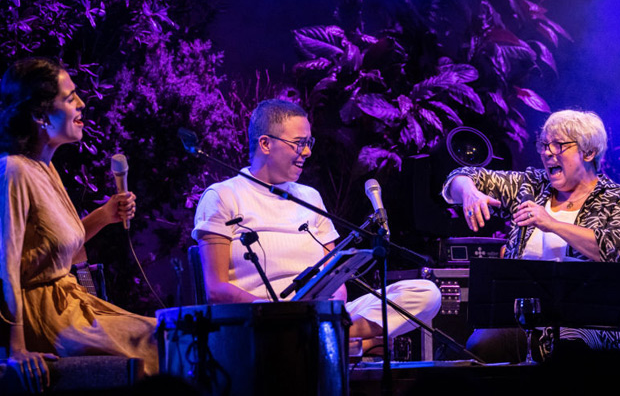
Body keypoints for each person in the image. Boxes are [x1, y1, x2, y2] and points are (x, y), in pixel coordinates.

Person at [192, 99, 441, 348]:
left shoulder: (310, 197)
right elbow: (216, 289)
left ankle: (333, 336)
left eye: (309, 143)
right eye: (299, 143)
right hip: (261, 322)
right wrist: (274, 312)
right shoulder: (223, 195)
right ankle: (341, 342)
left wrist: (334, 307)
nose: (308, 152)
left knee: (426, 294)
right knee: (284, 328)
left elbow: (335, 274)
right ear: (265, 144)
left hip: (319, 316)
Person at [0, 57, 158, 392]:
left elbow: (52, 253)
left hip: (72, 303)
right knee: (159, 344)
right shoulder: (13, 171)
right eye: (70, 98)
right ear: (40, 116)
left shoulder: (45, 168)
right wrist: (16, 349)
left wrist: (104, 215)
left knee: (170, 331)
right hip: (45, 317)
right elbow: (6, 266)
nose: (82, 104)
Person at [442, 109, 620, 363]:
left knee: (569, 346)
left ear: (589, 152)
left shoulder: (614, 199)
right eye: (545, 145)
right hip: (520, 319)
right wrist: (469, 192)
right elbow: (461, 176)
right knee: (481, 345)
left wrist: (553, 223)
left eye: (559, 145)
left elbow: (613, 249)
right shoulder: (531, 186)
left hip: (593, 321)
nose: (548, 153)